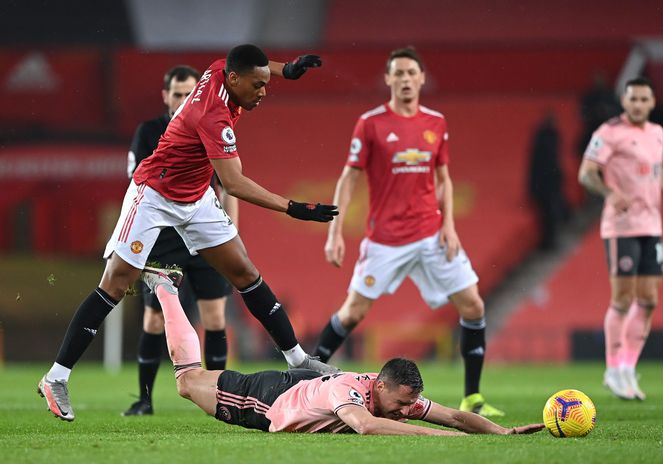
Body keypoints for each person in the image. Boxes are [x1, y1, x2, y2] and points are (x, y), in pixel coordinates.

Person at [38, 44, 339, 422]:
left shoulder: (219, 70)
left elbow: (249, 66)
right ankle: (56, 377)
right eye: (258, 85)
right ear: (234, 80)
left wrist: (288, 69)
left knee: (244, 272)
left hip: (195, 197)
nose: (264, 91)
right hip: (154, 194)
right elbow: (234, 183)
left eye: (267, 83)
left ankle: (299, 360)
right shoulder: (213, 116)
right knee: (115, 283)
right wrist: (294, 208)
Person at [312, 47, 503, 417]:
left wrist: (449, 225)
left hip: (431, 234)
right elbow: (349, 178)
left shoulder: (436, 122)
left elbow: (443, 178)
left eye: (410, 73)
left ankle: (473, 398)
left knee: (474, 305)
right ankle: (304, 376)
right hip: (385, 240)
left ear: (421, 78)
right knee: (352, 313)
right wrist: (334, 231)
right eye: (397, 73)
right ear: (388, 79)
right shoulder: (370, 123)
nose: (404, 79)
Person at [143, 266, 543, 435]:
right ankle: (165, 287)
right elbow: (366, 426)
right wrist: (431, 436)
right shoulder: (350, 394)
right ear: (381, 387)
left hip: (302, 385)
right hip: (264, 398)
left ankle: (166, 288)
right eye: (403, 404)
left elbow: (455, 417)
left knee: (188, 381)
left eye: (410, 405)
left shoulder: (394, 397)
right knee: (186, 381)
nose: (406, 411)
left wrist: (501, 432)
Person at [122, 65, 236, 417]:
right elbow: (140, 182)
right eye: (177, 94)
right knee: (154, 320)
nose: (184, 100)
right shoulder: (150, 132)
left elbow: (228, 182)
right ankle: (144, 400)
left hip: (204, 236)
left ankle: (219, 398)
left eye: (190, 93)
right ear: (165, 96)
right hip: (164, 239)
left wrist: (232, 228)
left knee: (215, 318)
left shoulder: (213, 125)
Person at [578, 77, 663, 401]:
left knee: (648, 300)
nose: (638, 105)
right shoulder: (608, 132)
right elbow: (586, 172)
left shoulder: (657, 134)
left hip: (652, 226)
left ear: (652, 102)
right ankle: (613, 368)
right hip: (621, 227)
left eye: (644, 99)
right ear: (624, 100)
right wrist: (609, 192)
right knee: (622, 299)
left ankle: (628, 367)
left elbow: (657, 171)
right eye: (633, 99)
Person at [527, 111, 569, 250]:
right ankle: (549, 241)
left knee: (548, 215)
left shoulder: (544, 138)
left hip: (545, 184)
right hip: (548, 184)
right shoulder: (550, 138)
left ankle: (549, 241)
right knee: (549, 214)